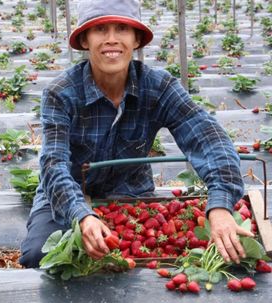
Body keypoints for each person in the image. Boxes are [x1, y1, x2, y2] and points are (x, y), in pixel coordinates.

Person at [19, 0, 253, 268]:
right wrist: (81, 215)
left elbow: (208, 137)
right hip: (67, 196)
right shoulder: (61, 94)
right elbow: (53, 165)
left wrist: (221, 205)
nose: (111, 40)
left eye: (121, 29)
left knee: (152, 258)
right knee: (40, 256)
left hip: (130, 195)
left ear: (136, 38)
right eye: (99, 30)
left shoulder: (158, 87)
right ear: (84, 40)